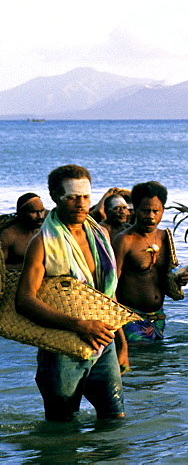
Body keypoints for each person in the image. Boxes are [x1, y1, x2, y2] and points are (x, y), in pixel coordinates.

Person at [15, 164, 126, 421]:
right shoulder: (42, 243)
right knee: (62, 426)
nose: (81, 204)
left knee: (115, 419)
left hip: (103, 340)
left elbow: (107, 297)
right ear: (55, 197)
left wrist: (122, 343)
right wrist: (79, 325)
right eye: (72, 197)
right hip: (61, 348)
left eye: (86, 197)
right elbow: (24, 301)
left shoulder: (101, 235)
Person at [113, 182, 178, 345]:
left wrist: (179, 279)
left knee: (156, 367)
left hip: (158, 318)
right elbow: (110, 285)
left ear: (163, 210)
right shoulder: (124, 240)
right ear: (135, 209)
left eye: (156, 211)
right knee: (139, 365)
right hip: (130, 318)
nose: (151, 216)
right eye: (145, 210)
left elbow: (166, 276)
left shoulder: (165, 237)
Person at [1, 193, 47, 270]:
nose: (40, 216)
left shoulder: (45, 230)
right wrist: (28, 266)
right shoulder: (9, 235)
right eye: (34, 212)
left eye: (42, 211)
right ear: (22, 214)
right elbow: (1, 266)